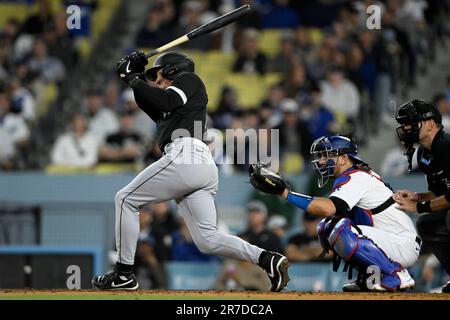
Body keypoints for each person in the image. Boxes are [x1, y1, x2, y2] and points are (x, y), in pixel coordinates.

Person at [91, 50, 290, 292]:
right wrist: (134, 77)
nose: (158, 80)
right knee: (208, 240)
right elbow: (150, 101)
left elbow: (163, 99)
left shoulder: (188, 79)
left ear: (173, 70)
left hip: (186, 156)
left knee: (125, 199)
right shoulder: (172, 105)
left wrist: (133, 79)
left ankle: (124, 274)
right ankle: (267, 259)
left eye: (160, 74)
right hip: (199, 165)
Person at [249, 135, 420, 292]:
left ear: (344, 158)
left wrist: (287, 194)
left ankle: (397, 274)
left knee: (340, 230)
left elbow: (327, 208)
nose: (321, 161)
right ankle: (370, 278)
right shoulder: (356, 175)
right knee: (326, 227)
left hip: (401, 243)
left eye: (327, 156)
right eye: (321, 156)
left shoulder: (356, 177)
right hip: (390, 240)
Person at [393, 99, 450, 293]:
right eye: (405, 125)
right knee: (425, 223)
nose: (406, 128)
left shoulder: (447, 147)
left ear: (430, 125)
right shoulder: (423, 154)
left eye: (412, 124)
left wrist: (419, 207)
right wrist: (417, 197)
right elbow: (439, 192)